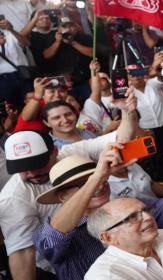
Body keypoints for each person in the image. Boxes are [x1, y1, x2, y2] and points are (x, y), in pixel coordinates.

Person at [0, 91, 138, 279]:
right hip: (63, 263)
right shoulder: (13, 197)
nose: (32, 173)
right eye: (22, 168)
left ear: (54, 152)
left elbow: (119, 141)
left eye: (37, 164)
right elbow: (22, 253)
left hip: (108, 237)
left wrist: (128, 113)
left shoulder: (71, 152)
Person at [32, 152, 163, 280]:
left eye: (103, 181)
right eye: (83, 185)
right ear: (62, 197)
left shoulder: (130, 206)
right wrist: (97, 176)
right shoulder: (49, 233)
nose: (99, 187)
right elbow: (54, 236)